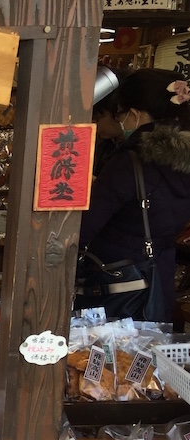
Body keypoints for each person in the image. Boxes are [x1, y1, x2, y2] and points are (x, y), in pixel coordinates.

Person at [78, 68, 190, 322]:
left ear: (135, 115)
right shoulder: (182, 165)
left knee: (108, 359)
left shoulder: (131, 162)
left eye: (122, 114)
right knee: (144, 357)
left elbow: (85, 226)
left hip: (117, 288)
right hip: (157, 282)